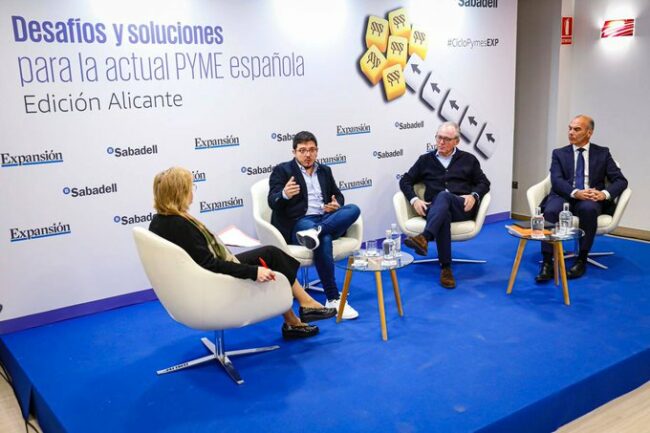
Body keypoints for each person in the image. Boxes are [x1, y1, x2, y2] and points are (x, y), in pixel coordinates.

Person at [148, 167, 337, 339]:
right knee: (272, 256)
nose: (192, 192)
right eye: (191, 187)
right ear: (180, 192)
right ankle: (304, 306)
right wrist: (253, 272)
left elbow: (198, 255)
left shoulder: (159, 221)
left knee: (271, 254)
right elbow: (209, 265)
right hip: (210, 282)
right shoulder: (181, 225)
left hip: (196, 279)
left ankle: (295, 318)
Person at [268, 131, 361, 319]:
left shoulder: (325, 170)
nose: (308, 154)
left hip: (325, 218)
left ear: (317, 151)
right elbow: (272, 201)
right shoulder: (282, 171)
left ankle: (317, 231)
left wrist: (336, 204)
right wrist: (284, 194)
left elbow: (338, 195)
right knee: (323, 238)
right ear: (294, 152)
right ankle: (333, 298)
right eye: (302, 150)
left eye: (311, 150)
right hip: (300, 223)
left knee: (353, 209)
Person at [535, 115, 628, 281]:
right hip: (564, 195)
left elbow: (621, 181)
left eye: (576, 129)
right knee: (550, 211)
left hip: (590, 197)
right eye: (570, 128)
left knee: (589, 209)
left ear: (589, 133)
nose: (571, 132)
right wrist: (575, 192)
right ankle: (547, 262)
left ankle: (581, 260)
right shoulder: (559, 153)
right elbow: (556, 180)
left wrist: (604, 194)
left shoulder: (603, 153)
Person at [400, 121, 491, 289]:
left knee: (444, 196)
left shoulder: (468, 159)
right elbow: (405, 180)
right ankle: (446, 268)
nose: (441, 142)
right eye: (439, 137)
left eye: (447, 139)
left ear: (457, 141)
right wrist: (414, 200)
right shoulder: (425, 160)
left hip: (461, 207)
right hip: (434, 209)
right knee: (443, 213)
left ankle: (424, 237)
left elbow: (484, 182)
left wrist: (474, 196)